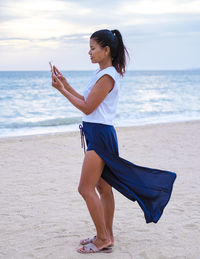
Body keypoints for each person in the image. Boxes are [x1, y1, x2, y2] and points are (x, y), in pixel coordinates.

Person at [51, 29, 176, 254]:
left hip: (99, 135)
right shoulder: (102, 74)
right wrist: (66, 85)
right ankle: (107, 235)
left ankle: (102, 239)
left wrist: (61, 91)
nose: (89, 52)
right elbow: (86, 100)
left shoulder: (107, 76)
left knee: (85, 188)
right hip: (97, 132)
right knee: (102, 188)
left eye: (93, 48)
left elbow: (88, 108)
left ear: (106, 50)